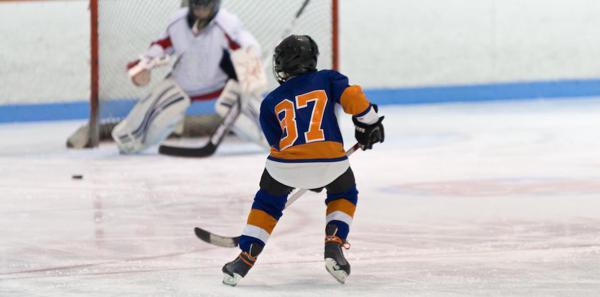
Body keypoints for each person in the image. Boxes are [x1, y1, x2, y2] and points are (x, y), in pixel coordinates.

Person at [221, 35, 385, 286]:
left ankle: (245, 258)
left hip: (284, 167)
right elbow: (354, 98)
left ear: (282, 64)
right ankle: (334, 244)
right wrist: (369, 123)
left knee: (267, 204)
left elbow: (277, 143)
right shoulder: (328, 78)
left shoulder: (271, 101)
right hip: (331, 162)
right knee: (344, 193)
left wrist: (302, 170)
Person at [112, 0, 268, 154]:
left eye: (205, 7)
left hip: (220, 85)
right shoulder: (177, 22)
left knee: (252, 110)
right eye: (197, 6)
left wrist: (251, 54)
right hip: (183, 84)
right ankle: (129, 141)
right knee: (144, 121)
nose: (201, 12)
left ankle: (279, 138)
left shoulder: (226, 22)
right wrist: (143, 64)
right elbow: (161, 46)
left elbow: (245, 43)